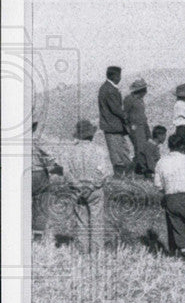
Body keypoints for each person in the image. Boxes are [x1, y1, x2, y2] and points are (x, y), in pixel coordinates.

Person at [60, 119, 113, 253]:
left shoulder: (70, 151)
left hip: (77, 190)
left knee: (81, 221)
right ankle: (96, 252)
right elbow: (106, 172)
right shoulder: (99, 150)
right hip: (94, 190)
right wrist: (92, 186)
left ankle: (82, 251)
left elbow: (66, 172)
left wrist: (77, 185)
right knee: (97, 221)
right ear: (92, 134)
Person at [31, 119, 62, 241]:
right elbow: (50, 160)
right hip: (38, 175)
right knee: (41, 205)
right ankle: (37, 237)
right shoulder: (36, 141)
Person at [97, 65, 131, 176]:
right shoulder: (110, 90)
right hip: (113, 127)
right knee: (118, 154)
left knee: (122, 152)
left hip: (114, 127)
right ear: (114, 76)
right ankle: (120, 178)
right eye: (119, 75)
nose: (120, 78)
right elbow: (116, 109)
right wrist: (127, 117)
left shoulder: (106, 88)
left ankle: (124, 176)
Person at [123, 78, 150, 173]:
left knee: (144, 147)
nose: (146, 91)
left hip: (143, 126)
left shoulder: (140, 100)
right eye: (144, 89)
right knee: (139, 148)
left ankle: (141, 168)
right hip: (135, 127)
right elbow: (125, 114)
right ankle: (139, 170)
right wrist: (129, 128)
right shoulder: (129, 99)